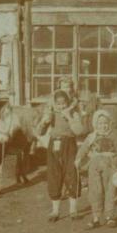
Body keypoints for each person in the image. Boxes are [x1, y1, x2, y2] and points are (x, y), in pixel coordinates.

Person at [36, 89, 86, 222]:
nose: (61, 106)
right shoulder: (50, 114)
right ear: (54, 104)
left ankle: (73, 210)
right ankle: (55, 211)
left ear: (68, 102)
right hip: (54, 146)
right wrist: (44, 122)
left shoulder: (74, 113)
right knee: (54, 175)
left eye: (63, 103)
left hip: (69, 146)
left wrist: (69, 117)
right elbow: (39, 132)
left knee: (72, 174)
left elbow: (80, 131)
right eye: (58, 104)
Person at [75, 109, 117, 229]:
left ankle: (110, 217)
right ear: (95, 124)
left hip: (111, 166)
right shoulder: (91, 136)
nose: (102, 126)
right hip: (95, 167)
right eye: (100, 123)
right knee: (95, 191)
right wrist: (78, 159)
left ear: (109, 124)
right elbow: (83, 149)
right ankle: (96, 217)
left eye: (105, 123)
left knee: (111, 192)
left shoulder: (114, 135)